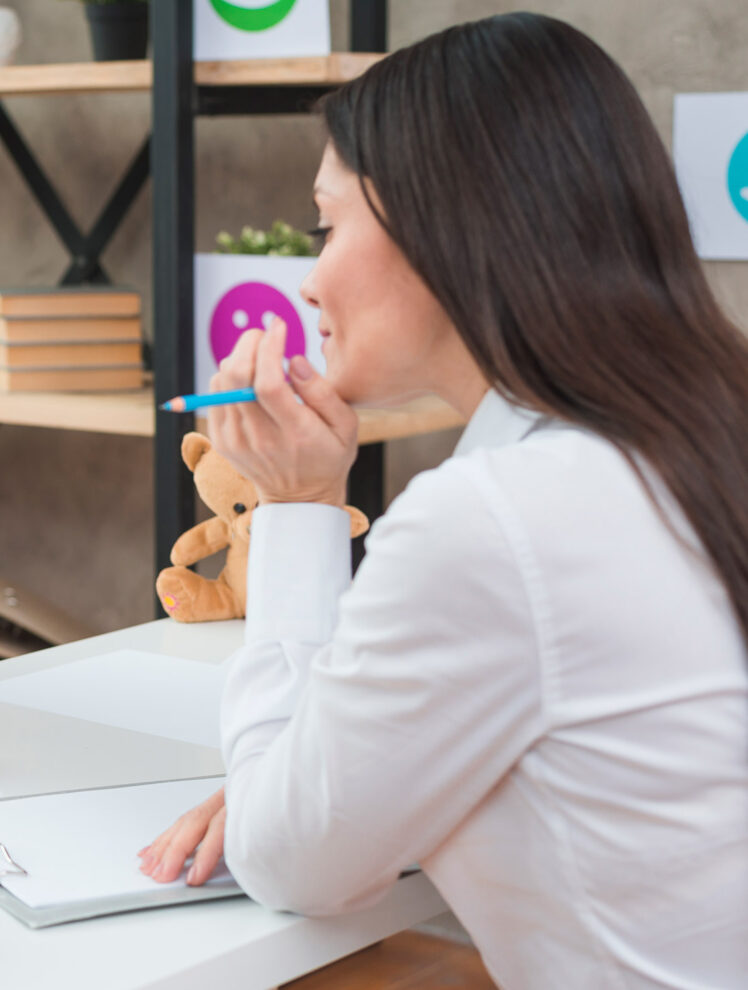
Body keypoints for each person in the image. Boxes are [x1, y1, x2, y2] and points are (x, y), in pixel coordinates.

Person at [140, 13, 748, 987]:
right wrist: (318, 784)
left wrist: (296, 511)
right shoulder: (696, 432)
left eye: (323, 225)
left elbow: (288, 860)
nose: (304, 286)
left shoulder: (497, 516)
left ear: (444, 221)